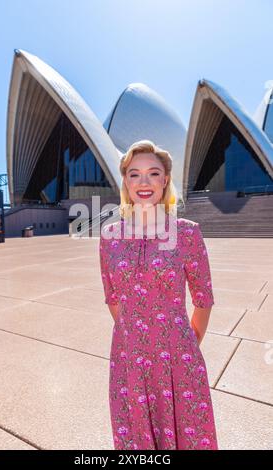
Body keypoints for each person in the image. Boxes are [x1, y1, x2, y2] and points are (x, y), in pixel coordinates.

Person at [99, 140, 218, 450]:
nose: (144, 182)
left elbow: (203, 298)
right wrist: (135, 333)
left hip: (178, 357)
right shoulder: (109, 237)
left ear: (166, 180)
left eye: (153, 173)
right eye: (135, 174)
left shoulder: (187, 233)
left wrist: (182, 341)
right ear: (125, 181)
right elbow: (112, 298)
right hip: (128, 358)